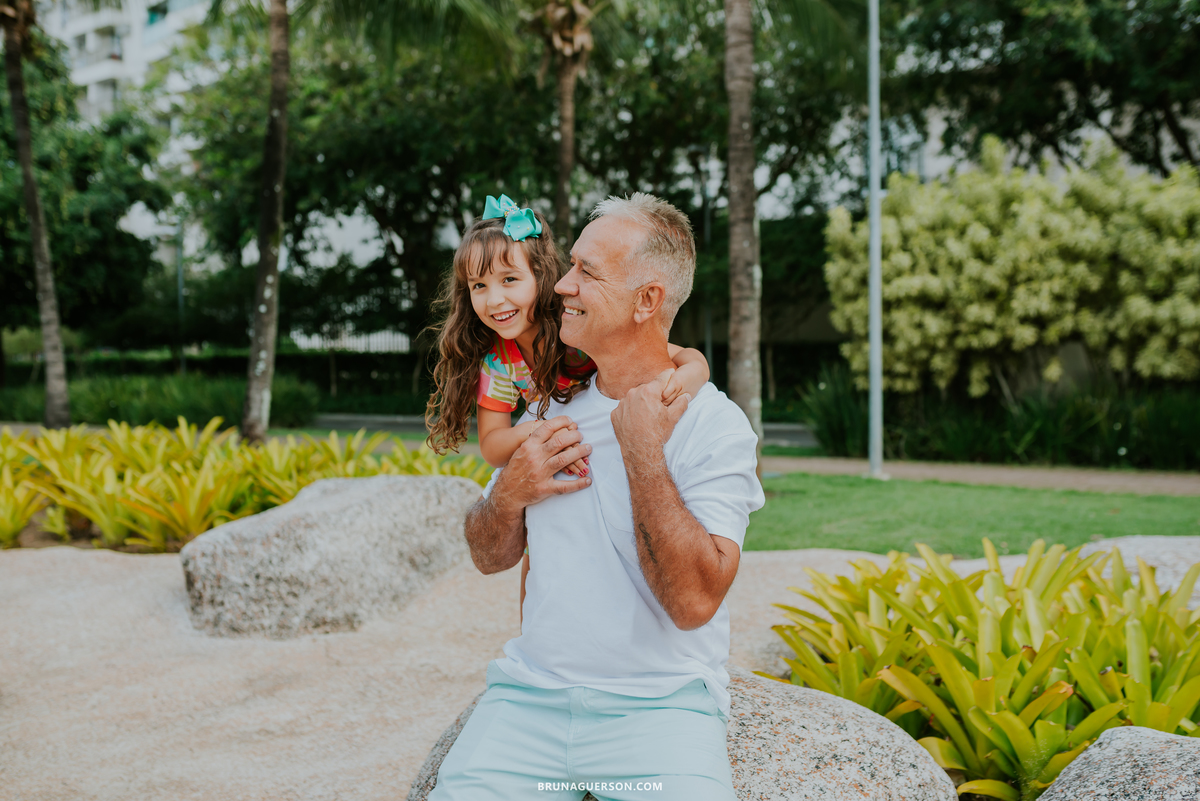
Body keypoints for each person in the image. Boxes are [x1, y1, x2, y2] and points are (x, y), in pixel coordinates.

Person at [427, 193, 765, 801]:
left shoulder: (715, 426)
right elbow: (487, 554)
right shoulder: (545, 404)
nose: (560, 285)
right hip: (527, 701)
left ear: (647, 300)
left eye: (587, 272)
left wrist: (641, 451)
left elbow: (693, 602)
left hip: (662, 711)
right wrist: (508, 494)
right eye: (569, 267)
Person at [425, 193, 710, 614]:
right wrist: (539, 431)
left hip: (607, 435)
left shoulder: (574, 330)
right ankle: (536, 646)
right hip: (560, 449)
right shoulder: (499, 363)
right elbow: (491, 446)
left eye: (509, 280)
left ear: (540, 276)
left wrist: (686, 378)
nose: (494, 300)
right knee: (539, 555)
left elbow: (684, 356)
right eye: (478, 287)